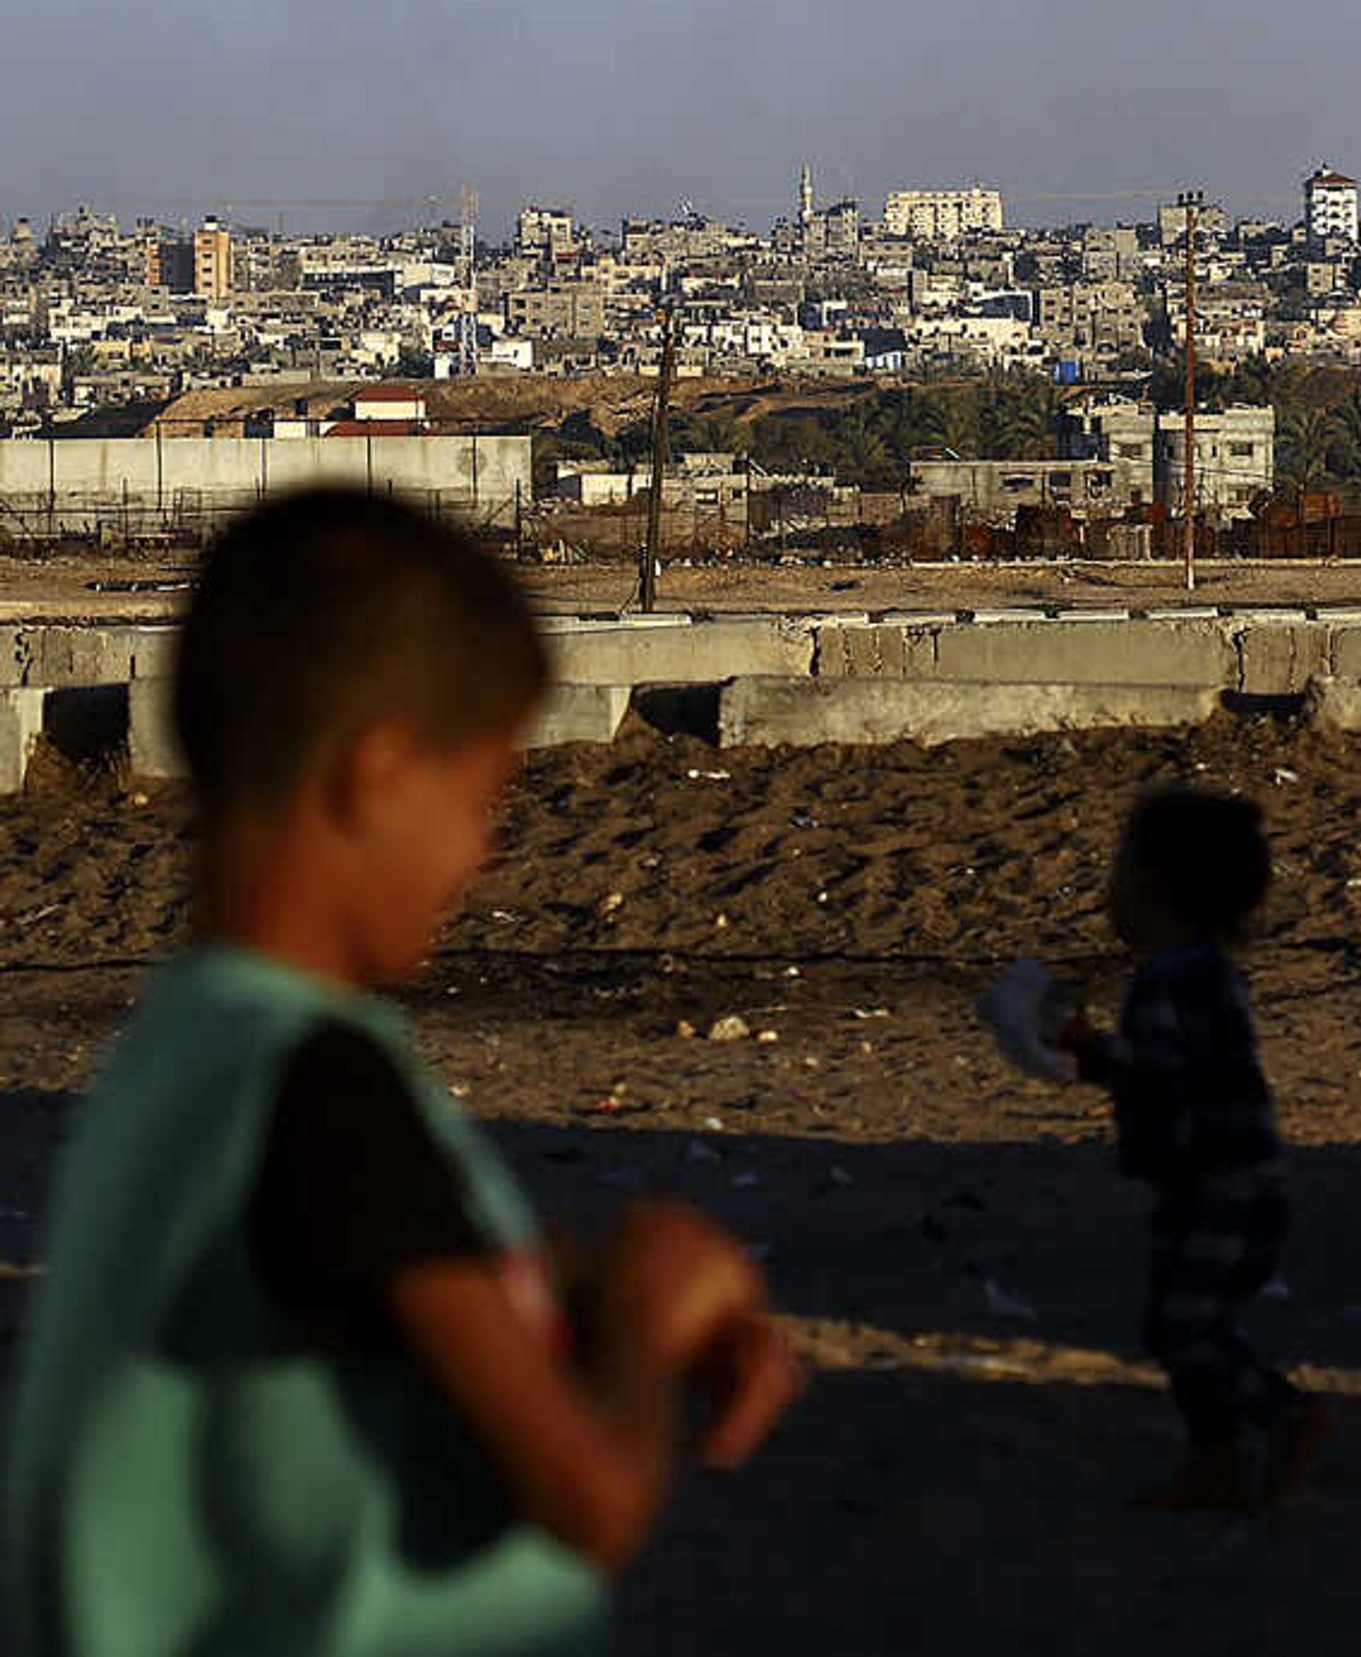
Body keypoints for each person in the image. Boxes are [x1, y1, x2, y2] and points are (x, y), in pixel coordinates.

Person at [1, 489, 801, 1657]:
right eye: (478, 798)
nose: (480, 850)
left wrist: (573, 1304)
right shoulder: (318, 1083)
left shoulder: (184, 1044)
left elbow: (354, 1298)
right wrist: (643, 1306)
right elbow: (592, 1497)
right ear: (377, 773)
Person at [1057, 783, 1322, 1510]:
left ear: (1153, 886)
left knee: (1185, 1326)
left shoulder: (1168, 981)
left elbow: (1161, 1073)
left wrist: (1085, 1048)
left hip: (1219, 1182)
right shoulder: (1206, 975)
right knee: (1181, 1322)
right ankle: (1215, 1461)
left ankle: (1283, 1416)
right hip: (1220, 1179)